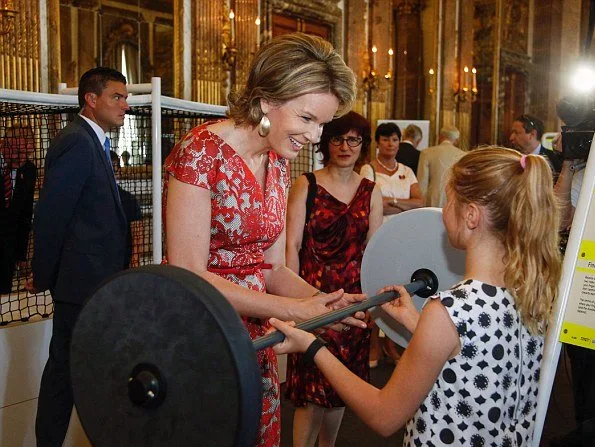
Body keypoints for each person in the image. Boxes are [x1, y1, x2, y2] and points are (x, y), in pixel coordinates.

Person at [271, 147, 562, 446]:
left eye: (449, 201)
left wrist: (313, 347)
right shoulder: (533, 293)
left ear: (471, 215)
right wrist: (415, 320)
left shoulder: (449, 310)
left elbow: (384, 415)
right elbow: (470, 357)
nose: (444, 209)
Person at [164, 33, 366, 447]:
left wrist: (323, 300)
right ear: (265, 101)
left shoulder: (276, 160)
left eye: (323, 123)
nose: (316, 136)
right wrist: (293, 309)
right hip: (203, 332)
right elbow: (188, 272)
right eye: (308, 119)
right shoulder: (200, 153)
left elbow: (272, 268)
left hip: (256, 339)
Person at [29, 67, 130, 446]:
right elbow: (53, 215)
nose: (125, 105)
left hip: (95, 283)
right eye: (117, 97)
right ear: (91, 99)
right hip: (78, 285)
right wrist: (44, 276)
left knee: (79, 370)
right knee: (63, 375)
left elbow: (91, 206)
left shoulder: (94, 142)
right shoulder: (76, 141)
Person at [284, 111, 383, 447]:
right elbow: (291, 246)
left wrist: (372, 302)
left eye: (354, 139)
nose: (345, 146)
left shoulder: (371, 191)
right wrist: (292, 301)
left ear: (363, 145)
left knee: (341, 388)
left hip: (353, 301)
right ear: (326, 143)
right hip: (312, 297)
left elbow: (374, 252)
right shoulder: (307, 184)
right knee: (312, 391)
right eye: (338, 138)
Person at [360, 122, 424, 366]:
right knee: (376, 289)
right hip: (377, 237)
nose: (391, 144)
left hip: (405, 238)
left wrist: (392, 201)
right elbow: (370, 203)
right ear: (378, 142)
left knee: (403, 290)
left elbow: (420, 201)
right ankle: (374, 344)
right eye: (386, 139)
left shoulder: (407, 170)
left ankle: (393, 343)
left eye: (395, 140)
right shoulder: (368, 170)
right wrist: (403, 202)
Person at [551, 133, 595, 446]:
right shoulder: (585, 172)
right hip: (586, 279)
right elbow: (560, 218)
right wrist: (568, 165)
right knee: (581, 357)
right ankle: (585, 425)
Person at [0, 124, 37, 294]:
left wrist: (21, 254)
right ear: (3, 144)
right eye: (17, 152)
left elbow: (25, 214)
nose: (20, 158)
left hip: (7, 253)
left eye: (25, 154)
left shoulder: (29, 170)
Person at [417, 125, 465, 207]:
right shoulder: (463, 155)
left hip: (432, 200)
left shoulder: (426, 153)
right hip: (454, 200)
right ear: (456, 140)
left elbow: (422, 182)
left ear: (440, 136)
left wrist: (421, 204)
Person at [110, 150, 143, 268]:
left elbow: (137, 231)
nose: (114, 170)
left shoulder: (128, 199)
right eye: (111, 166)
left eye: (116, 166)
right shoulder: (92, 199)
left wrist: (135, 258)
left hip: (122, 261)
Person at [509, 114, 562, 180]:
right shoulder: (510, 158)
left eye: (516, 133)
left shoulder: (552, 160)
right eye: (512, 133)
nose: (511, 138)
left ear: (532, 134)